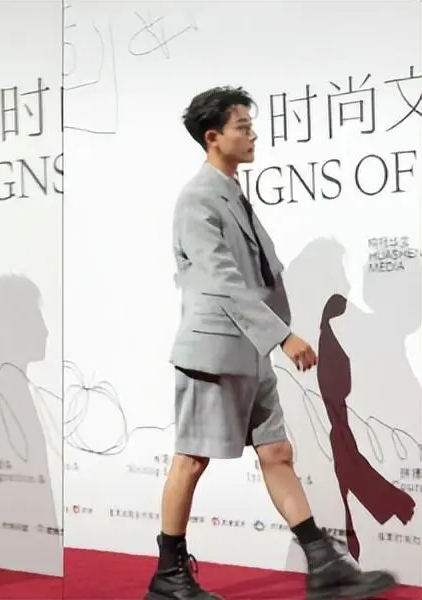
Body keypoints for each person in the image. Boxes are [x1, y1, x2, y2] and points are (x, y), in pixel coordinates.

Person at [145, 86, 398, 600]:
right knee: (190, 460)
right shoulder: (197, 198)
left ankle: (323, 565)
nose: (253, 134)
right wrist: (282, 335)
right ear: (213, 137)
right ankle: (169, 575)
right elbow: (221, 281)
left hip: (249, 349)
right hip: (214, 352)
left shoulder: (230, 192)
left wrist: (273, 335)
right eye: (242, 126)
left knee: (277, 452)